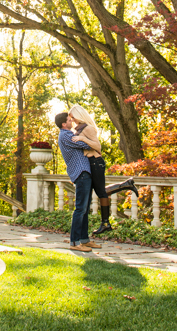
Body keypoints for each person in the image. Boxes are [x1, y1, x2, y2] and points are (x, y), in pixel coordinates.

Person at [67, 105, 138, 234]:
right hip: (91, 164)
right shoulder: (79, 129)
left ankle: (106, 222)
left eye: (72, 117)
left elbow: (97, 146)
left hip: (96, 162)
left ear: (78, 116)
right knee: (100, 191)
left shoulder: (87, 129)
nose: (72, 120)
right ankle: (125, 186)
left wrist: (82, 139)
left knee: (101, 192)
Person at [55, 111, 97, 252]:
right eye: (69, 120)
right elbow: (87, 146)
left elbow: (84, 143)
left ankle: (84, 240)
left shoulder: (70, 135)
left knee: (85, 209)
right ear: (63, 123)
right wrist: (86, 139)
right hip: (81, 173)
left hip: (85, 173)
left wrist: (83, 139)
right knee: (80, 209)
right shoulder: (66, 135)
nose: (71, 121)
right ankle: (74, 242)